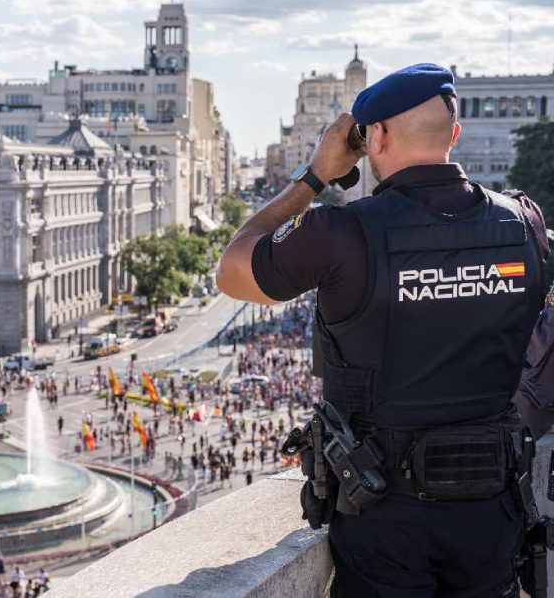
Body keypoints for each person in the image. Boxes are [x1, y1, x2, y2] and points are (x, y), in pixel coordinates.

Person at [217, 63, 547, 596]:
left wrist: (315, 176)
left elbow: (232, 269)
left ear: (376, 137)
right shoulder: (523, 224)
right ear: (454, 134)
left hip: (383, 513)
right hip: (493, 507)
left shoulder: (342, 231)